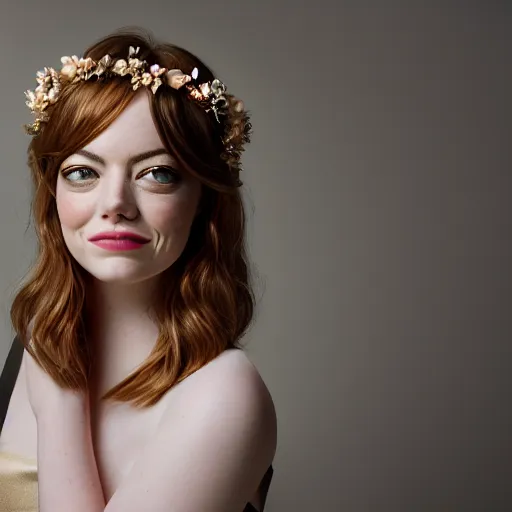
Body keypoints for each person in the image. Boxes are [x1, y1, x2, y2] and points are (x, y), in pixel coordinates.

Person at [0, 27, 277, 512]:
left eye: (157, 174)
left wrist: (62, 405)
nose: (116, 204)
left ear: (204, 202)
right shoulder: (34, 344)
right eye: (83, 172)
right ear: (54, 194)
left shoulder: (224, 393)